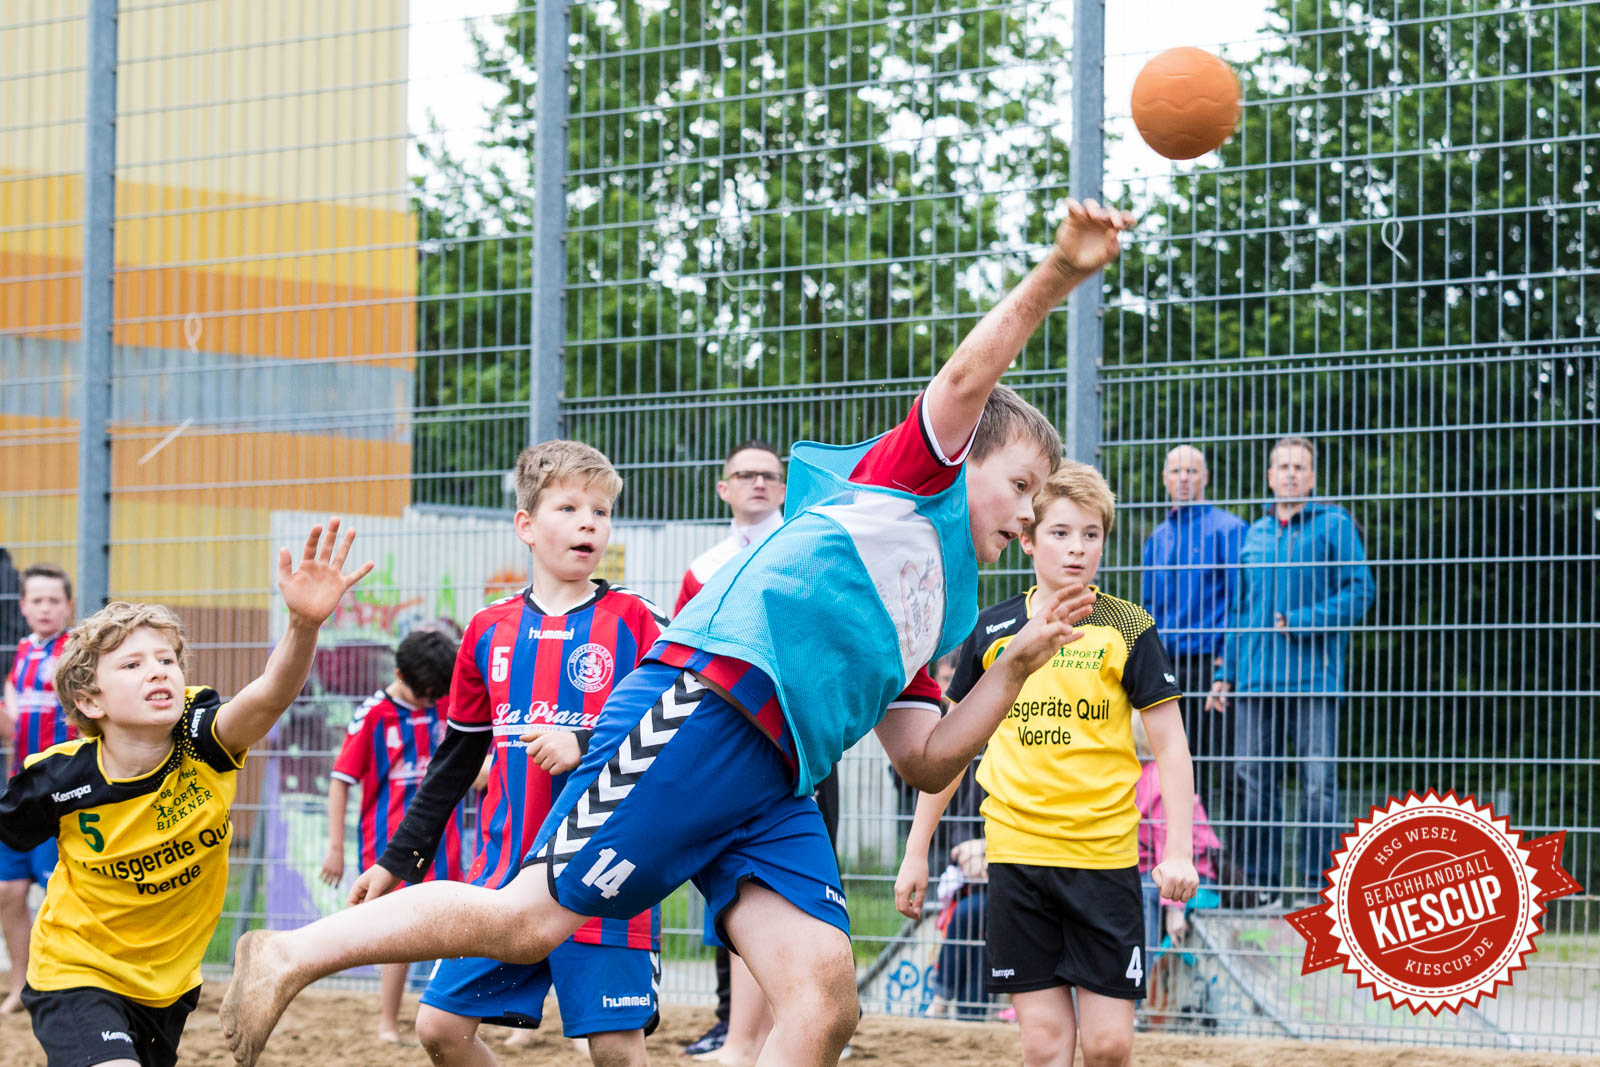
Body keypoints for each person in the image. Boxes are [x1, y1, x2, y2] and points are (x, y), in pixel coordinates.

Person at [221, 199, 1136, 1067]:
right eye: (1021, 487)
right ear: (967, 455)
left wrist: (1012, 666)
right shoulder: (910, 483)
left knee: (823, 997)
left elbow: (928, 758)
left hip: (777, 779)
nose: (1029, 515)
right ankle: (291, 954)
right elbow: (969, 376)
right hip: (701, 708)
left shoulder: (946, 611)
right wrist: (1059, 269)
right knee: (528, 921)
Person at [338, 440, 666, 1067]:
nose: (588, 523)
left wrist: (587, 743)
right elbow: (455, 761)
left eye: (600, 510)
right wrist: (398, 860)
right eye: (569, 507)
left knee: (617, 1053)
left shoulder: (640, 621)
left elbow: (680, 727)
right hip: (504, 882)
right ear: (525, 525)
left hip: (604, 876)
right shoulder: (488, 631)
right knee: (439, 1029)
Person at [0, 520, 370, 1067]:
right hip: (74, 973)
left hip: (169, 988)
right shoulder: (56, 778)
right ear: (91, 701)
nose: (158, 671)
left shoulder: (203, 735)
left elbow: (267, 698)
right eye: (132, 664)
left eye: (167, 659)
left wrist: (302, 626)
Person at [895, 463, 1199, 1067]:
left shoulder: (1129, 628)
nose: (1076, 548)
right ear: (1029, 539)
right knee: (1044, 1044)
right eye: (1060, 533)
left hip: (1104, 862)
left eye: (1091, 534)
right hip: (1017, 859)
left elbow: (1170, 747)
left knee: (1109, 1047)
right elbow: (949, 750)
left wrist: (1181, 851)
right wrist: (915, 852)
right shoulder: (995, 631)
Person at [1206, 437, 1374, 912]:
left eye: (1300, 466)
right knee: (1253, 780)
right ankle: (1262, 887)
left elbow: (1361, 590)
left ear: (1313, 477)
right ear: (1270, 476)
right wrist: (1227, 672)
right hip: (1256, 681)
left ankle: (1320, 890)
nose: (1291, 473)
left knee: (1318, 784)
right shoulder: (1254, 534)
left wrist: (1303, 620)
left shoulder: (1335, 526)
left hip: (1314, 679)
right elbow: (1241, 610)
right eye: (1283, 466)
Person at [675, 441, 787, 1060]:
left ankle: (798, 1021)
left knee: (796, 885)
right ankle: (732, 1025)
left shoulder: (798, 542)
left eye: (770, 476)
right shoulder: (704, 565)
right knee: (732, 883)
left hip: (796, 737)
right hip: (729, 742)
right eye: (746, 475)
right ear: (724, 489)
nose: (758, 484)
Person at [320, 628, 463, 1042]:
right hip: (387, 846)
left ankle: (446, 1017)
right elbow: (340, 779)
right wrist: (335, 848)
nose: (432, 702)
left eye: (439, 693)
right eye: (425, 694)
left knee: (451, 929)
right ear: (400, 674)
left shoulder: (447, 702)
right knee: (397, 936)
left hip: (444, 842)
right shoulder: (372, 716)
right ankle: (387, 1022)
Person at [1140, 445, 1245, 820]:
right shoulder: (1157, 540)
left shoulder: (1230, 529)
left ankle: (1231, 867)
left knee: (1227, 765)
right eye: (1176, 472)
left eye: (1192, 472)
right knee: (1176, 762)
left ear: (1205, 478)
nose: (1184, 479)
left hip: (1214, 665)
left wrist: (1225, 664)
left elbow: (1239, 601)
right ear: (1165, 480)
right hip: (1169, 667)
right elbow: (1148, 609)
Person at [1, 563, 75, 1015]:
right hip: (18, 791)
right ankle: (20, 986)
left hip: (59, 794)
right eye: (37, 600)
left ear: (68, 606)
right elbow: (11, 720)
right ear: (23, 606)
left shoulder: (76, 652)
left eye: (54, 600)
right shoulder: (22, 652)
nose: (45, 608)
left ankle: (61, 989)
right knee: (8, 893)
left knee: (57, 898)